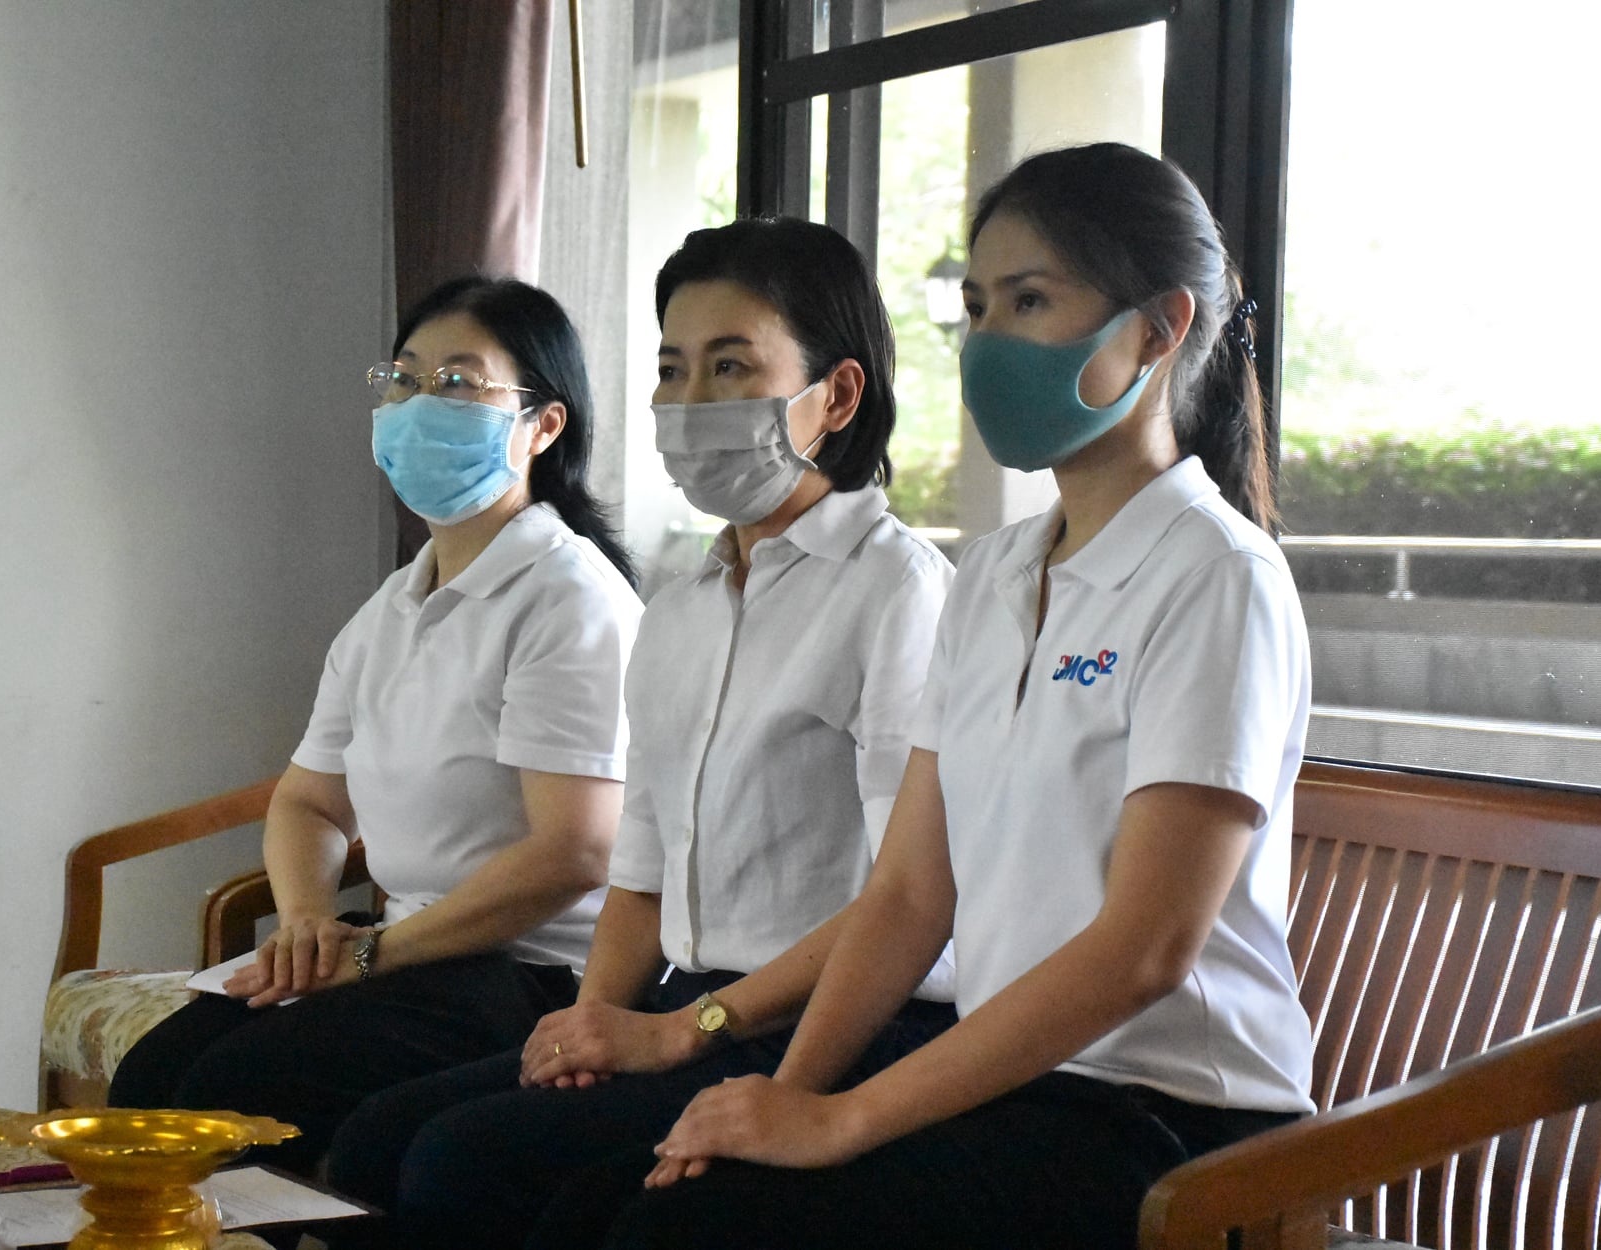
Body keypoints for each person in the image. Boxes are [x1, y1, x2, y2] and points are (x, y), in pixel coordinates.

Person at [602, 142, 1318, 1250]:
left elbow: (1145, 949)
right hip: (1014, 1082)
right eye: (977, 307)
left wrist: (841, 1121)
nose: (988, 343)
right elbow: (906, 895)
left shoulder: (1217, 576)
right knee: (641, 1209)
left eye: (1030, 301)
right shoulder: (991, 575)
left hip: (1173, 1113)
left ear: (1158, 328)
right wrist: (784, 1099)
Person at [322, 217, 958, 1248]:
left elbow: (908, 896)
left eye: (731, 366)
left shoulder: (900, 596)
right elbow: (642, 870)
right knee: (377, 1143)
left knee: (469, 1165)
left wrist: (687, 1031)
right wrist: (589, 1022)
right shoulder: (684, 604)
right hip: (689, 1007)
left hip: (842, 1021)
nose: (690, 400)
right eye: (671, 368)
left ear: (836, 396)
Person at [105, 276, 643, 1175]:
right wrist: (308, 921)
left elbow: (576, 851)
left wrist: (370, 957)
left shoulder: (569, 600)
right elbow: (309, 803)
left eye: (458, 382)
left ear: (543, 426)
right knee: (151, 1080)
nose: (420, 403)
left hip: (527, 974)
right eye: (404, 378)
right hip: (400, 953)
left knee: (226, 1099)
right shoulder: (392, 608)